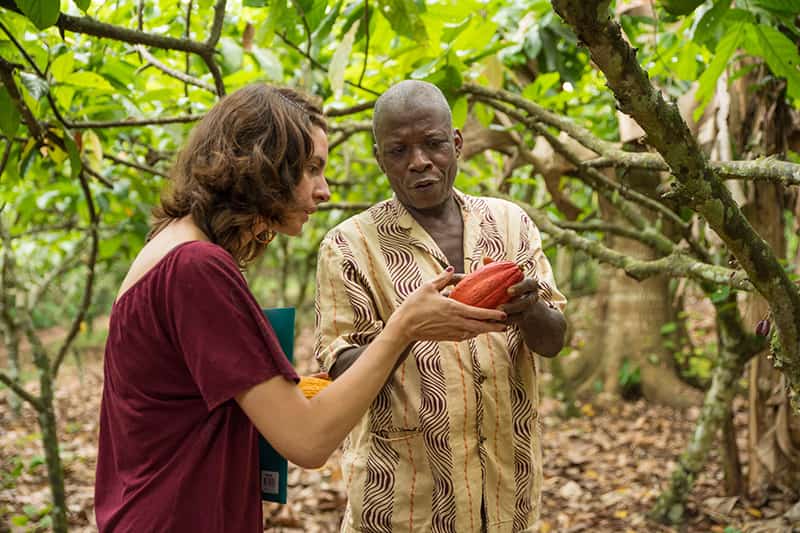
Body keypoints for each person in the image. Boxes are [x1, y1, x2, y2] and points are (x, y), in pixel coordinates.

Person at [93, 83, 508, 532]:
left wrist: (304, 388)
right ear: (262, 165)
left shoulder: (172, 245)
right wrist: (405, 326)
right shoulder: (197, 267)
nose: (324, 190)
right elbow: (307, 441)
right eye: (311, 169)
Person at [314, 80, 568, 533]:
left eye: (432, 144)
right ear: (380, 159)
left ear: (455, 144)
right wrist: (409, 328)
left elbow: (553, 341)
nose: (419, 162)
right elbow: (340, 372)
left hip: (508, 500)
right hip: (403, 506)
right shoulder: (348, 245)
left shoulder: (511, 224)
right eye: (398, 151)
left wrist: (529, 309)